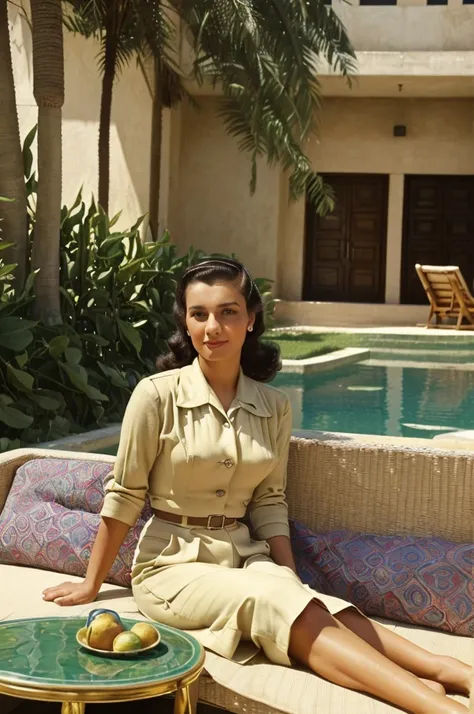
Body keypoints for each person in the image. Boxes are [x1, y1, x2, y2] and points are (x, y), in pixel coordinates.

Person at [43, 259, 471, 714]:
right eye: (199, 314)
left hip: (246, 556)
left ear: (250, 319)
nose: (213, 326)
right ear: (185, 324)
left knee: (308, 600)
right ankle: (435, 706)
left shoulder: (273, 406)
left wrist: (288, 573)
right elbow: (125, 494)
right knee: (270, 596)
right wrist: (91, 585)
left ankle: (447, 670)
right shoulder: (156, 395)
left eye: (228, 311)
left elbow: (270, 500)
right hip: (171, 566)